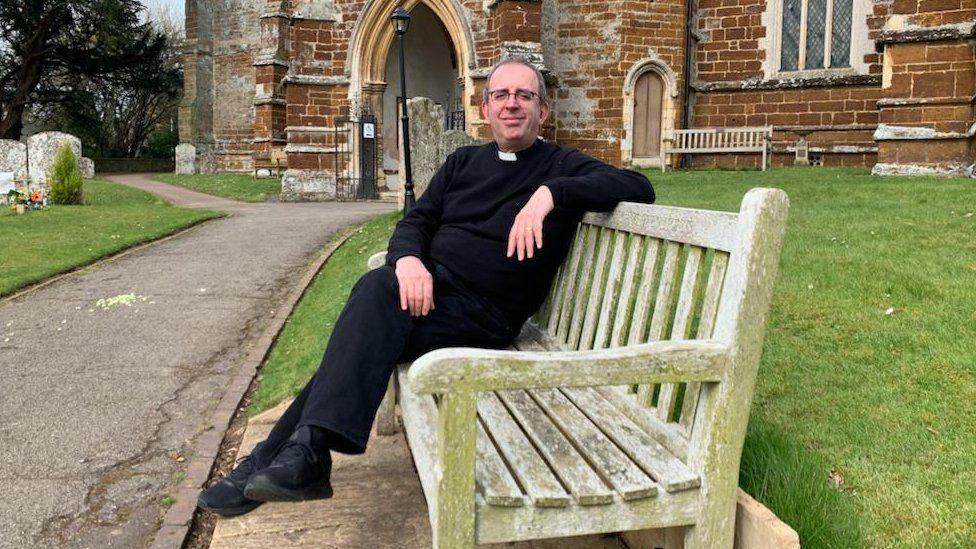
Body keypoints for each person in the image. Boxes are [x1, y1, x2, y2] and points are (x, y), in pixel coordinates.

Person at [196, 58, 655, 516]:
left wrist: (551, 193)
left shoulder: (561, 164)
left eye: (524, 96)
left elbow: (639, 185)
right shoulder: (463, 162)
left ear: (543, 112)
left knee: (365, 329)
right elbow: (416, 220)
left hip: (483, 315)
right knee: (375, 300)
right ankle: (300, 455)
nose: (512, 104)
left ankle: (273, 459)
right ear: (485, 107)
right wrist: (410, 260)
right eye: (501, 95)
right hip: (429, 297)